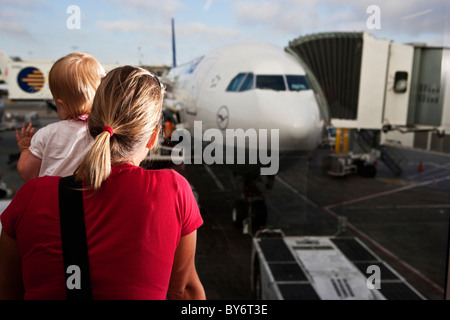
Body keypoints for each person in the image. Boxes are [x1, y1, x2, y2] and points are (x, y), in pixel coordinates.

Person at [0, 66, 205, 300]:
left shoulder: (30, 197)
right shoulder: (174, 190)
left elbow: (8, 290)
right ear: (152, 137)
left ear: (91, 125)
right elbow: (183, 291)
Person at [15, 52, 105, 181]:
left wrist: (24, 149)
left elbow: (27, 173)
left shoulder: (48, 134)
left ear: (60, 104)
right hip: (87, 200)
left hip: (53, 199)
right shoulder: (104, 133)